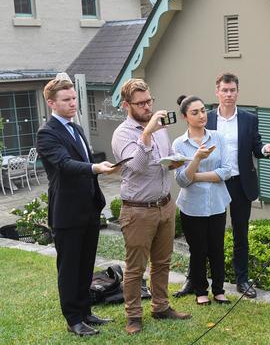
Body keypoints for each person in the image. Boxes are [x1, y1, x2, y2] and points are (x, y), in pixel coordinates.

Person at [175, 72, 270, 299]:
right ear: (217, 92)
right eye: (225, 90)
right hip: (211, 184)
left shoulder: (249, 118)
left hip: (241, 183)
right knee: (202, 238)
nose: (229, 94)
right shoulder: (206, 117)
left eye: (232, 90)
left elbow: (256, 146)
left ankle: (242, 280)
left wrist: (265, 150)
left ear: (237, 92)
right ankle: (193, 281)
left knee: (240, 234)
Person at [36, 74, 118, 336]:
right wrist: (95, 167)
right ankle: (73, 320)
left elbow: (83, 160)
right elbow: (63, 164)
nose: (73, 103)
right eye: (66, 99)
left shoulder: (77, 128)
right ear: (51, 103)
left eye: (74, 98)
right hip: (67, 212)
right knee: (70, 269)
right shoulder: (47, 133)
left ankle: (85, 312)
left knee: (85, 265)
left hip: (89, 209)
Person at [111, 79, 191, 335]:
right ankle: (133, 316)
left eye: (149, 101)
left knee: (162, 262)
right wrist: (146, 134)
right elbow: (135, 166)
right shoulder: (122, 133)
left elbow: (161, 161)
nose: (147, 106)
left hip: (165, 206)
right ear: (127, 105)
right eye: (141, 103)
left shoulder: (160, 128)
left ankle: (161, 306)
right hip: (138, 210)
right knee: (135, 268)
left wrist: (174, 163)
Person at [172, 95, 232, 305]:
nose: (201, 116)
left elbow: (226, 171)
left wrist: (195, 177)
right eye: (195, 112)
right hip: (192, 206)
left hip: (217, 202)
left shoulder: (218, 138)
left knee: (217, 248)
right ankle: (200, 291)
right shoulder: (179, 144)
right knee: (198, 250)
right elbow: (180, 180)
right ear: (185, 117)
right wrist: (196, 159)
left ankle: (219, 290)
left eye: (203, 111)